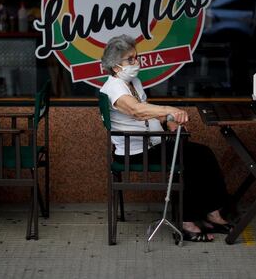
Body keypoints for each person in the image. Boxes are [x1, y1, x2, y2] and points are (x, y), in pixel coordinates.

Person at [99, 34, 233, 242]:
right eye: (130, 59)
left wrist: (167, 119)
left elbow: (148, 110)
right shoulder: (114, 87)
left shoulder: (132, 81)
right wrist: (169, 109)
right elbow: (137, 111)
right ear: (116, 66)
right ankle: (187, 222)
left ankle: (211, 212)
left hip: (153, 142)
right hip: (137, 152)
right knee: (192, 159)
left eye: (137, 57)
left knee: (201, 154)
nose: (137, 62)